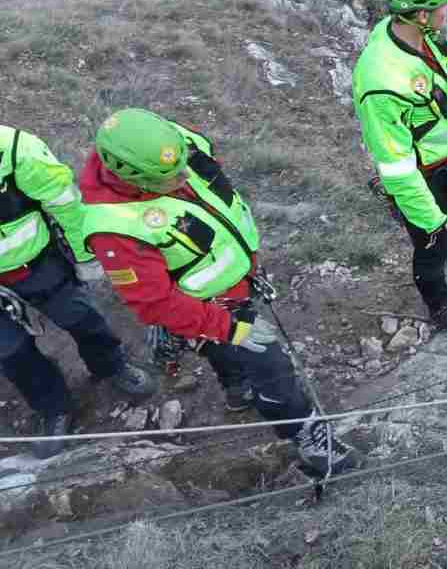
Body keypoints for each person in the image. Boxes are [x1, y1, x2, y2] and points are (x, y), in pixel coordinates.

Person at [79, 108, 360, 475]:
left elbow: (211, 176)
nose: (183, 177)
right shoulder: (114, 229)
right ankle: (306, 435)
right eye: (169, 178)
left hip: (233, 280)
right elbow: (155, 301)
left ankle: (234, 384)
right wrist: (231, 328)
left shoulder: (175, 144)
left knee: (219, 348)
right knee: (271, 365)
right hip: (208, 304)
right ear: (131, 177)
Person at [0, 125, 155, 458]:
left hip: (36, 264)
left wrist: (85, 258)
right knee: (10, 352)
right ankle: (54, 408)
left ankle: (110, 366)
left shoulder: (16, 151)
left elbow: (66, 205)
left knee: (81, 317)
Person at [352, 0, 447, 329]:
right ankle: (439, 305)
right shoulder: (382, 80)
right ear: (421, 14)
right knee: (430, 249)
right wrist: (437, 228)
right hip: (423, 177)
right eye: (442, 5)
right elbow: (397, 170)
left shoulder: (413, 36)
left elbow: (436, 93)